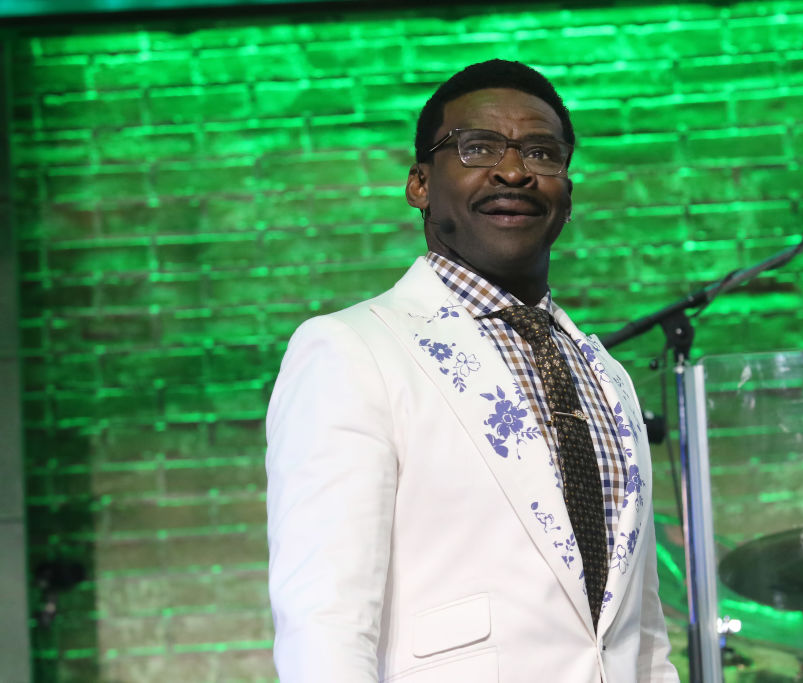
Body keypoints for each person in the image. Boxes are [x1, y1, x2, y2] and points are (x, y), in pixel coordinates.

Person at [265, 59, 679, 683]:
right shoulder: (351, 351)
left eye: (542, 153)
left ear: (568, 190)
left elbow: (643, 637)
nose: (514, 171)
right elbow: (325, 625)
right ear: (420, 184)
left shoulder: (607, 376)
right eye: (478, 147)